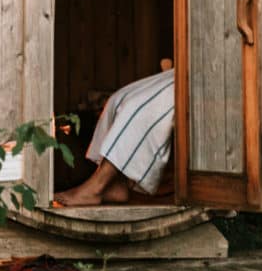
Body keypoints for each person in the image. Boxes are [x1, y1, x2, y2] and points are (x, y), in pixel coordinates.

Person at [54, 60, 174, 207]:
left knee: (137, 108)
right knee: (118, 99)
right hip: (180, 71)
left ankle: (96, 187)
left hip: (203, 80)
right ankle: (118, 183)